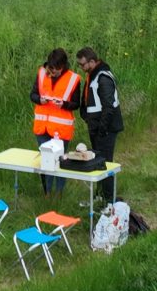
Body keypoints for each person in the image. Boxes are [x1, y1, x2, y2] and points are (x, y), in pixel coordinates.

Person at [30, 47, 81, 193]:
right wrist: (40, 100)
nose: (52, 73)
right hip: (42, 128)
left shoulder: (73, 79)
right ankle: (47, 193)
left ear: (63, 66)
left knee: (60, 163)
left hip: (61, 130)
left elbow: (76, 104)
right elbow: (32, 95)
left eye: (56, 70)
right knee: (46, 162)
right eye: (51, 69)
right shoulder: (41, 73)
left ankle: (59, 194)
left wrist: (64, 104)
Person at [76, 46, 122, 200]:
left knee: (106, 164)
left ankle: (109, 200)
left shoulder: (103, 77)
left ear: (92, 61)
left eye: (83, 65)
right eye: (79, 65)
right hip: (96, 127)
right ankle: (100, 195)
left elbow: (108, 107)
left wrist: (101, 129)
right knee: (97, 163)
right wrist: (87, 117)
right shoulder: (93, 75)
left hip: (106, 129)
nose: (81, 68)